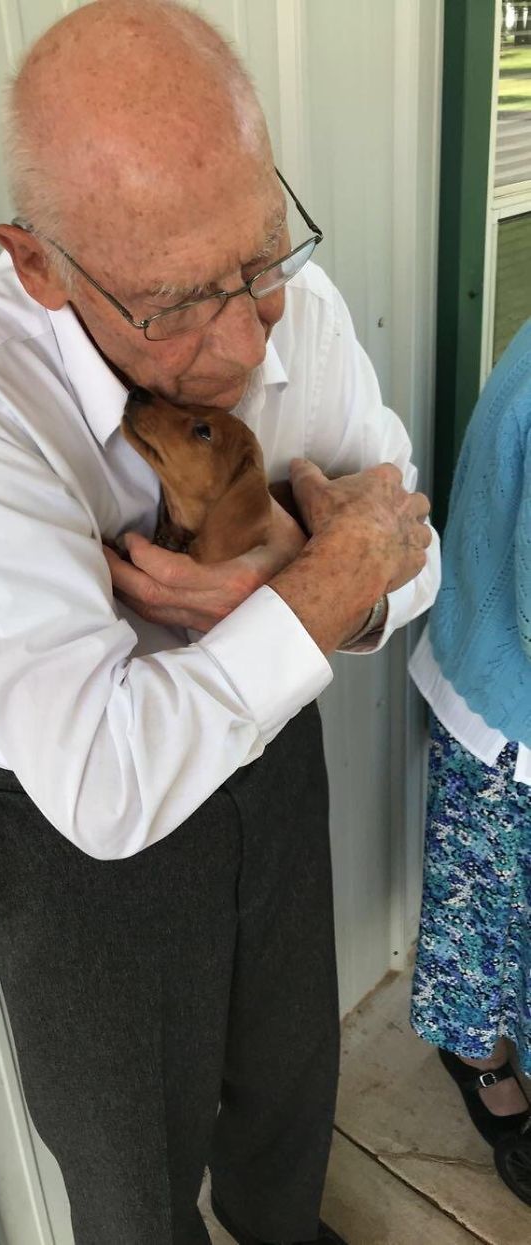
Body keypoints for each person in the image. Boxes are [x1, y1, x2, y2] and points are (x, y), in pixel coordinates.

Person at [0, 3, 438, 1242]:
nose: (242, 341)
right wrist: (314, 589)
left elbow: (409, 544)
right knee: (131, 1169)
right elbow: (103, 786)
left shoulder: (295, 304)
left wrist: (335, 590)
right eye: (177, 303)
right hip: (73, 848)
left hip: (270, 757)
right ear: (38, 266)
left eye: (262, 263)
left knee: (291, 1079)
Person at [409, 317, 531, 1206]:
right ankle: (478, 1049)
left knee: (489, 896)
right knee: (481, 900)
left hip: (498, 672)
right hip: (508, 694)